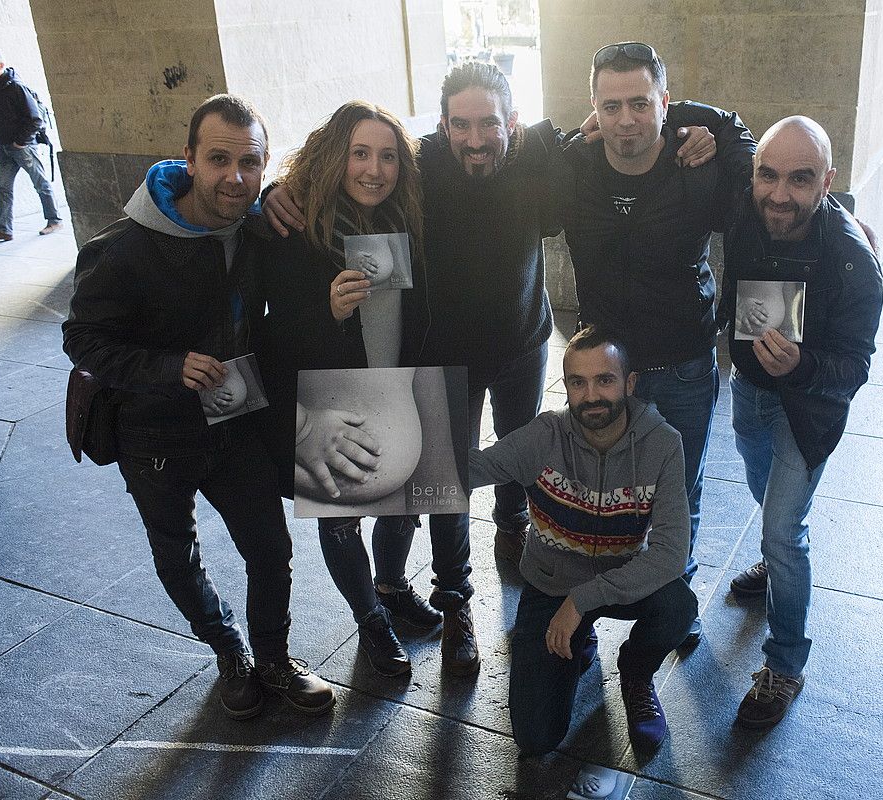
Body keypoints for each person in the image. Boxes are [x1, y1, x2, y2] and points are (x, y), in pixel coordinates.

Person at [261, 62, 716, 676]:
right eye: (461, 125)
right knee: (446, 486)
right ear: (444, 125)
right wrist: (274, 192)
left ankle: (512, 527)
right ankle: (457, 609)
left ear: (514, 122)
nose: (475, 139)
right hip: (444, 355)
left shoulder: (538, 155)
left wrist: (694, 125)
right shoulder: (420, 166)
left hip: (524, 343)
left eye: (489, 124)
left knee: (522, 449)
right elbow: (351, 169)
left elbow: (627, 123)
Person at [62, 94, 334, 720]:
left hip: (235, 419)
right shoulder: (125, 247)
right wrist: (166, 367)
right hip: (154, 433)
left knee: (269, 548)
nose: (235, 178)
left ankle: (272, 656)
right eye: (218, 160)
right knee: (177, 553)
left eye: (250, 163)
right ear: (187, 159)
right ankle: (228, 650)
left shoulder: (257, 230)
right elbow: (83, 339)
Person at [554, 41, 758, 644]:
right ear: (593, 109)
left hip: (685, 363)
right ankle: (589, 604)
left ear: (665, 103)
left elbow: (759, 178)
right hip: (605, 371)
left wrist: (718, 127)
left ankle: (674, 602)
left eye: (640, 104)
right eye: (610, 106)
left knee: (680, 494)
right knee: (595, 492)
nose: (625, 121)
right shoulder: (576, 169)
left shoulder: (698, 165)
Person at [254, 101, 440, 679]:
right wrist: (324, 310)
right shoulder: (295, 227)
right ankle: (370, 620)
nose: (373, 169)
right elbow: (267, 332)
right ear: (335, 156)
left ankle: (390, 584)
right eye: (359, 153)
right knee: (340, 519)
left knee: (404, 502)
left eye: (387, 156)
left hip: (395, 384)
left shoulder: (406, 216)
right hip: (330, 400)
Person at [720, 116, 883, 729]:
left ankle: (785, 663)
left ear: (827, 182)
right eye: (768, 175)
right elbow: (704, 125)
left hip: (808, 409)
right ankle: (774, 557)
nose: (780, 194)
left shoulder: (851, 262)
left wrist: (803, 364)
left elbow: (854, 369)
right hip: (750, 391)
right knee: (767, 501)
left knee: (785, 530)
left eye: (801, 179)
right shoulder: (746, 208)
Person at [470, 326, 697, 755]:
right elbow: (475, 470)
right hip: (551, 584)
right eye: (578, 382)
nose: (591, 395)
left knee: (678, 606)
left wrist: (581, 602)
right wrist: (406, 445)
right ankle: (576, 643)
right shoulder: (544, 436)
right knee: (536, 739)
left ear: (629, 384)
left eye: (604, 380)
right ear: (567, 386)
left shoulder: (663, 445)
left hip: (617, 579)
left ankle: (635, 673)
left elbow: (670, 554)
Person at [0, 49, 61, 241]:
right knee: (4, 189)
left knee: (41, 184)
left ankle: (54, 220)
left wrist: (21, 141)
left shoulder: (16, 87)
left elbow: (35, 119)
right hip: (4, 147)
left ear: (0, 64)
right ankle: (4, 229)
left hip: (23, 148)